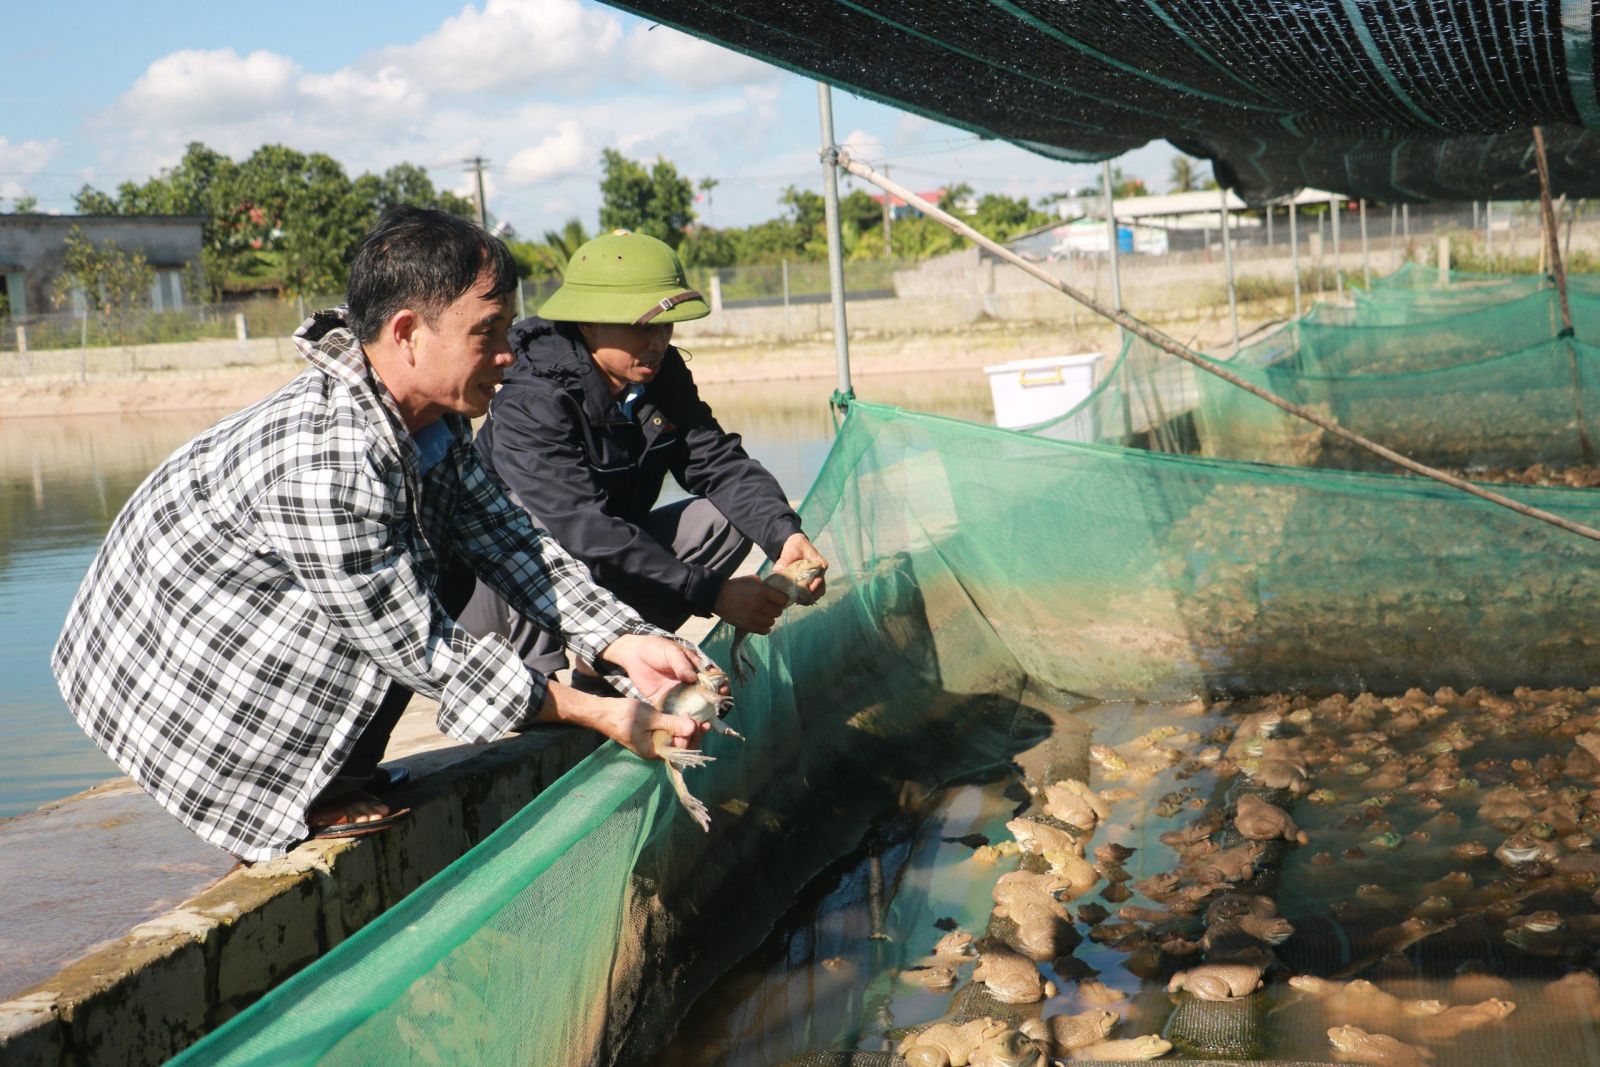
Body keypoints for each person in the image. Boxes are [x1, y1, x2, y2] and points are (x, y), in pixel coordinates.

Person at [51, 207, 709, 864]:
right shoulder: (330, 465)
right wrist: (597, 711)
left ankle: (336, 775)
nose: (509, 353)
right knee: (400, 605)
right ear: (407, 334)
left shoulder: (431, 420)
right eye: (488, 332)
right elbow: (418, 646)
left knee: (434, 563)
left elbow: (513, 542)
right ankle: (293, 795)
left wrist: (624, 640)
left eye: (508, 326)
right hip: (175, 672)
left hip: (241, 617)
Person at [462, 230, 827, 686]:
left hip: (603, 569)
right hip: (495, 601)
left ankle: (611, 666)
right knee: (531, 532)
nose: (657, 341)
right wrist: (710, 592)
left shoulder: (659, 374)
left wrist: (783, 534)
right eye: (641, 326)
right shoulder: (533, 398)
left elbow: (718, 463)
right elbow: (579, 528)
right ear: (588, 324)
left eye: (665, 326)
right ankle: (538, 687)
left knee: (727, 516)